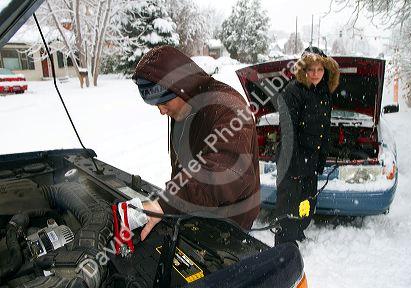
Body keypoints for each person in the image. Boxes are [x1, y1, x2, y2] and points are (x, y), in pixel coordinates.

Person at [131, 45, 260, 241]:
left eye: (164, 103)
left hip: (229, 221)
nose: (161, 111)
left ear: (180, 86)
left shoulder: (228, 108)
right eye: (156, 105)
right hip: (195, 209)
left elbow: (225, 172)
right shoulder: (184, 102)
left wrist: (167, 203)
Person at [275, 46, 340, 245]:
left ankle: (298, 232)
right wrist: (291, 165)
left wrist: (321, 159)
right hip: (292, 159)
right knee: (289, 204)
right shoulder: (292, 92)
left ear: (325, 70)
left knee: (306, 203)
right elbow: (288, 132)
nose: (315, 74)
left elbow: (324, 129)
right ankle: (285, 244)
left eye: (319, 69)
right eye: (310, 69)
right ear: (302, 70)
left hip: (310, 159)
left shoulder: (324, 93)